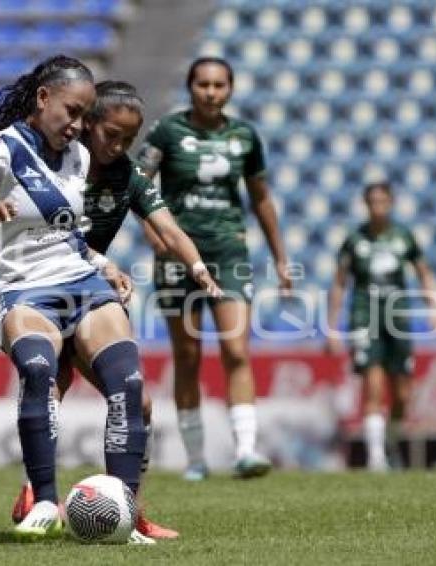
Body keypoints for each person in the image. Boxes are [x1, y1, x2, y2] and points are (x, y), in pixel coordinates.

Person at [0, 55, 152, 544]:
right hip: (24, 289)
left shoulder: (77, 156)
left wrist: (104, 265)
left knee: (129, 381)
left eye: (83, 115)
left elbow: (69, 234)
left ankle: (123, 509)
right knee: (38, 370)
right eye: (71, 112)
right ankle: (46, 501)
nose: (77, 126)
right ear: (43, 98)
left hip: (82, 282)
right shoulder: (4, 149)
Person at [6, 81, 223, 539]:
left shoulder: (128, 176)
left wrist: (198, 267)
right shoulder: (57, 169)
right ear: (88, 125)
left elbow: (168, 228)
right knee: (50, 382)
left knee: (136, 401)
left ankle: (130, 511)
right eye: (111, 135)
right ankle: (36, 492)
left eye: (129, 138)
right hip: (42, 288)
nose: (119, 146)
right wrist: (104, 265)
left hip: (88, 296)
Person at [136, 57, 292, 481]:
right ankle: (196, 459)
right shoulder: (167, 131)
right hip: (177, 255)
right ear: (191, 87)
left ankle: (245, 450)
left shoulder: (244, 136)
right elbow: (138, 184)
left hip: (228, 255)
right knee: (187, 356)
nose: (210, 92)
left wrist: (280, 257)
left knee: (236, 350)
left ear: (230, 89)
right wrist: (154, 233)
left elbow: (260, 198)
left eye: (219, 85)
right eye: (203, 84)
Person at [326, 181, 436, 471]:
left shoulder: (404, 237)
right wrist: (332, 327)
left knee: (402, 393)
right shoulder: (355, 240)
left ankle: (389, 441)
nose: (377, 206)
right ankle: (376, 457)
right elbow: (339, 284)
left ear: (390, 203)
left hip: (398, 317)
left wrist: (435, 309)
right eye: (372, 201)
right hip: (365, 316)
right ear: (366, 204)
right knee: (373, 384)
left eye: (382, 201)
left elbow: (424, 274)